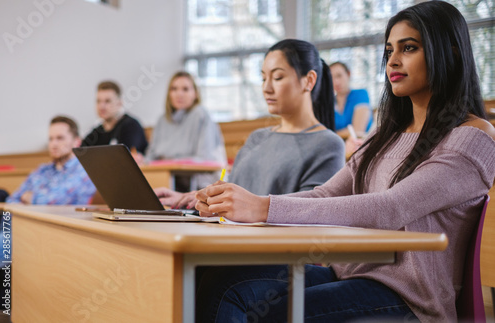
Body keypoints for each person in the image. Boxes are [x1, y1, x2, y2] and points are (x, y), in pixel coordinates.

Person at [194, 2, 495, 322]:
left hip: (411, 300)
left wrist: (262, 207)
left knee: (275, 314)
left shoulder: (473, 137)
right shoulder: (387, 134)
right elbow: (325, 194)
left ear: (451, 53)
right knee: (221, 282)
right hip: (351, 275)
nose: (393, 60)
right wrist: (234, 206)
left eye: (409, 48)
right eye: (389, 50)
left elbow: (390, 208)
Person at [155, 39, 345, 209]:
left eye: (277, 77)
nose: (266, 88)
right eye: (263, 78)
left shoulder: (328, 144)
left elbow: (312, 211)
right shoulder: (258, 137)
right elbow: (232, 193)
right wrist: (193, 198)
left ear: (309, 81)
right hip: (229, 233)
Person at [145, 71, 227, 191]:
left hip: (197, 183)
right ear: (169, 93)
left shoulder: (201, 115)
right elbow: (151, 156)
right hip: (167, 179)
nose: (179, 94)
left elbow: (205, 158)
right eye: (174, 89)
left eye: (185, 89)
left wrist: (170, 162)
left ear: (195, 94)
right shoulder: (162, 120)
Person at [7, 116, 96, 205]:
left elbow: (55, 201)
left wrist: (31, 198)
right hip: (29, 218)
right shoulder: (42, 170)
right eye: (51, 139)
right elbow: (11, 200)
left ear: (77, 142)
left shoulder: (84, 171)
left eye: (60, 138)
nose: (54, 144)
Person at [81, 81, 148, 154]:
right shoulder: (97, 132)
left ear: (119, 103)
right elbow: (80, 152)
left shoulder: (131, 126)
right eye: (98, 101)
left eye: (107, 101)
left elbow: (126, 157)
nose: (101, 106)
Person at [330, 61, 373, 138]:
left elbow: (358, 131)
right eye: (331, 78)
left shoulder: (360, 94)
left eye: (339, 76)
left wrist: (330, 135)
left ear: (348, 74)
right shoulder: (329, 102)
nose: (336, 82)